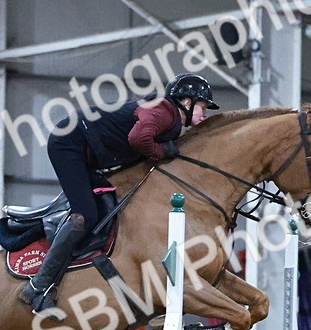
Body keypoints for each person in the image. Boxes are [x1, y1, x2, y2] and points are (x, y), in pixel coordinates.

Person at [19, 73, 219, 313]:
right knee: (85, 216)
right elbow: (138, 138)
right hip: (69, 144)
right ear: (187, 102)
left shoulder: (170, 119)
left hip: (86, 149)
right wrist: (163, 151)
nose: (205, 113)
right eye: (203, 107)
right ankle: (38, 285)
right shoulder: (165, 111)